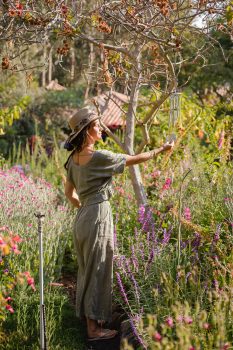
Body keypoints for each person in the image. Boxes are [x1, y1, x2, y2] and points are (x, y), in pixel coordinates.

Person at [64, 107, 174, 341]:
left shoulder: (72, 161)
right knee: (99, 267)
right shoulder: (98, 157)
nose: (101, 128)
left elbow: (69, 195)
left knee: (87, 268)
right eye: (97, 125)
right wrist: (161, 150)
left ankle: (89, 318)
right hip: (98, 216)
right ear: (86, 131)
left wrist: (85, 206)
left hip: (83, 217)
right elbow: (133, 159)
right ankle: (94, 331)